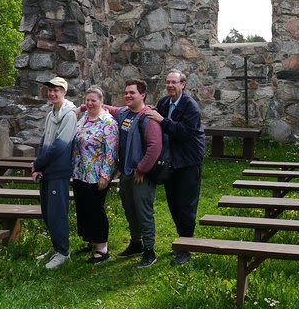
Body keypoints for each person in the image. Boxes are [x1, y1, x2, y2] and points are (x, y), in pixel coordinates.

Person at [144, 70, 205, 265]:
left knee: (186, 205)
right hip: (171, 160)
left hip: (188, 161)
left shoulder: (190, 106)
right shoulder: (164, 103)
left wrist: (162, 121)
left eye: (174, 82)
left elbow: (185, 133)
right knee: (173, 203)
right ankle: (181, 242)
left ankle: (186, 249)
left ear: (183, 84)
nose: (170, 85)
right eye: (168, 82)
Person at [103, 78, 162, 268]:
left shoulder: (149, 118)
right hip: (127, 173)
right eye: (126, 92)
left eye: (132, 93)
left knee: (143, 212)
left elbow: (155, 147)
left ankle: (149, 251)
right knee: (130, 210)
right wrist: (91, 103)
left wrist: (142, 169)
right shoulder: (125, 114)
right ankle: (136, 243)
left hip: (140, 175)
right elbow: (111, 109)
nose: (128, 95)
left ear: (142, 95)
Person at [31, 76, 77, 270]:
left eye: (57, 90)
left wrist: (38, 163)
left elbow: (59, 146)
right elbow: (44, 140)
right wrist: (38, 166)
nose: (52, 93)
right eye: (50, 90)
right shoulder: (51, 114)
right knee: (48, 212)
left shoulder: (69, 115)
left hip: (58, 171)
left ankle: (64, 253)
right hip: (47, 170)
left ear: (64, 92)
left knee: (57, 213)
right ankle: (56, 247)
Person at [71, 86, 118, 264]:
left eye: (94, 100)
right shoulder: (84, 118)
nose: (90, 103)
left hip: (96, 175)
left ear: (101, 102)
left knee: (95, 209)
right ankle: (90, 240)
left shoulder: (108, 122)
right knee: (83, 208)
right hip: (79, 172)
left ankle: (102, 248)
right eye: (87, 100)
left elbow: (111, 152)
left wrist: (105, 176)